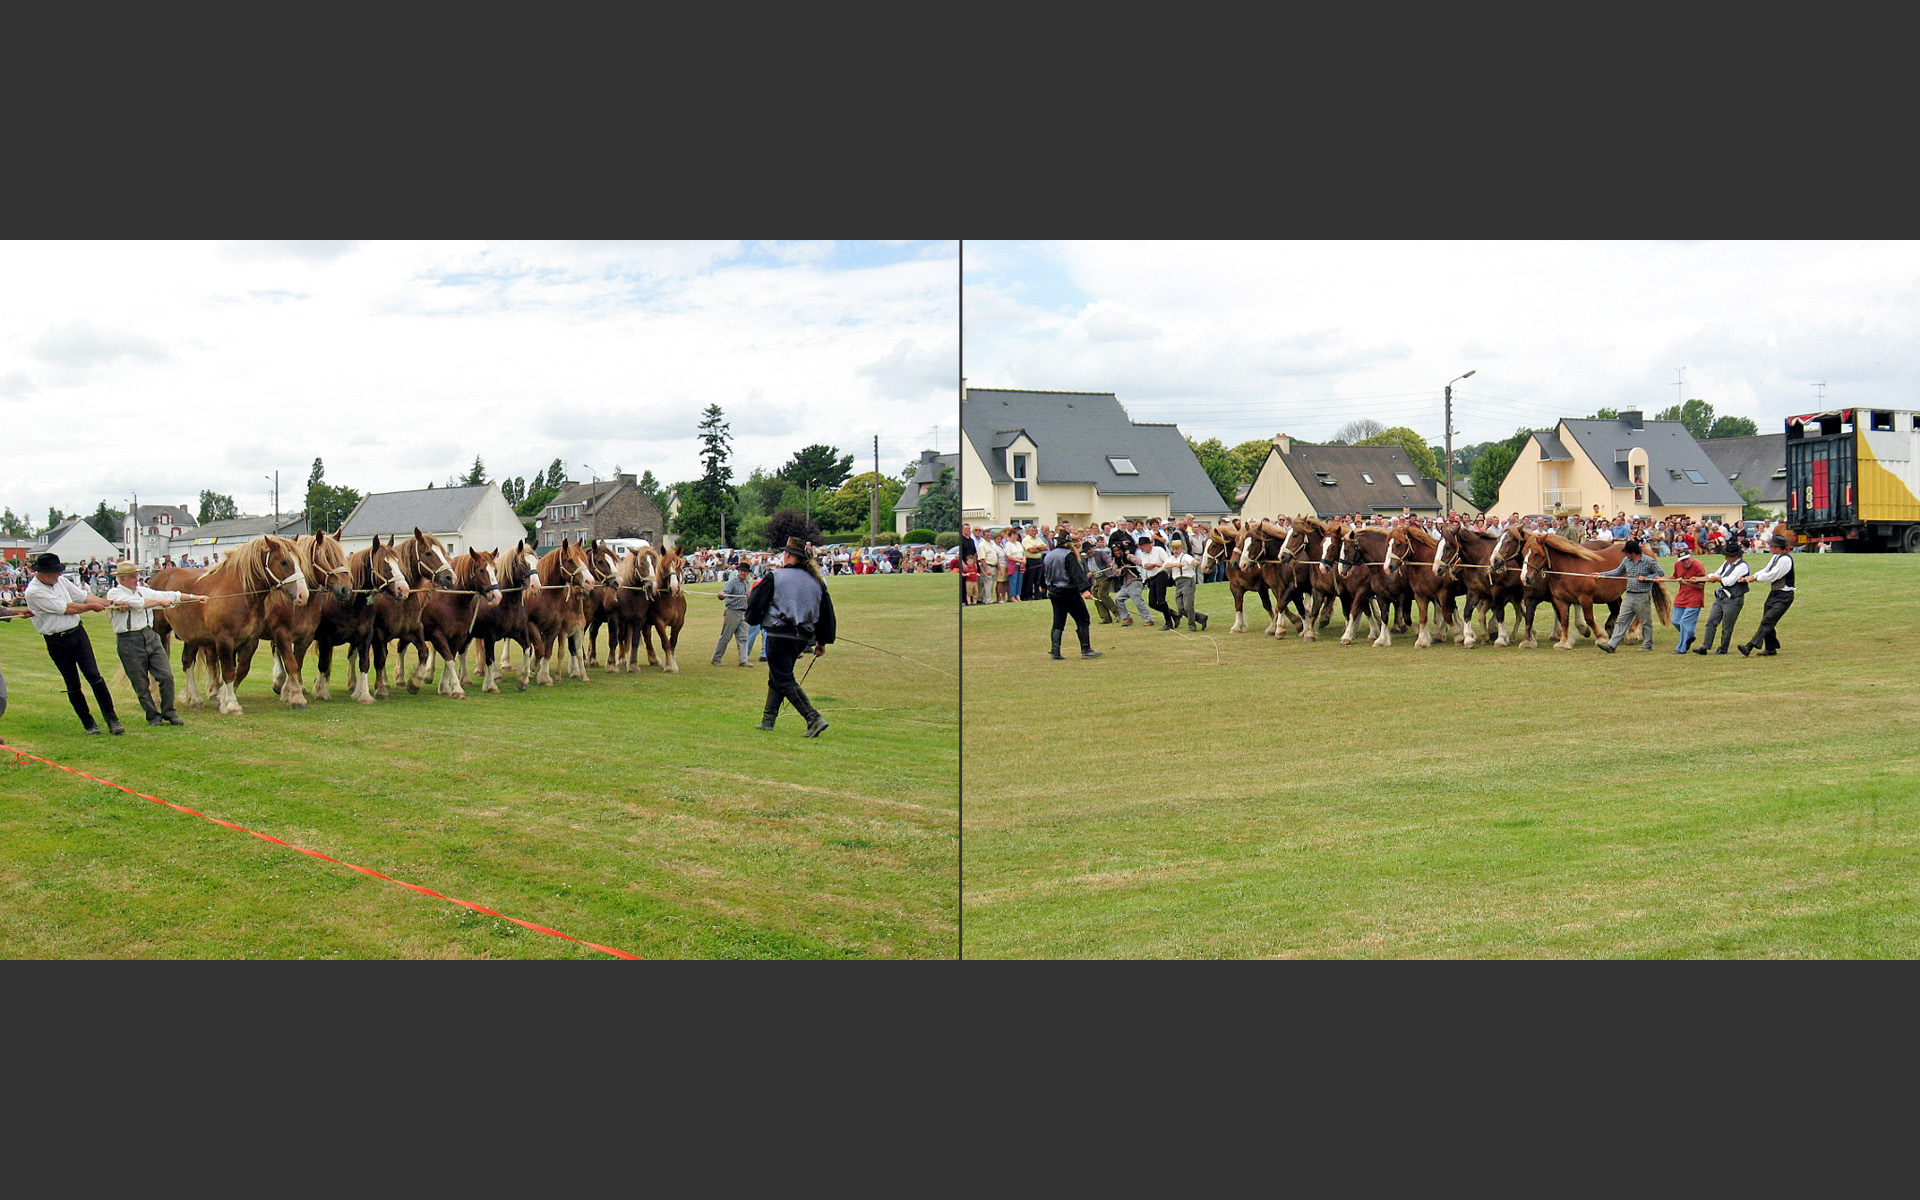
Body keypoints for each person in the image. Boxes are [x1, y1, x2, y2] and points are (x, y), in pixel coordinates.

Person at [21, 553, 124, 734]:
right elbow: (66, 608)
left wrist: (111, 603)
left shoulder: (60, 581)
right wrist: (91, 608)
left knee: (94, 676)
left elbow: (83, 597)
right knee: (72, 683)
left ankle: (112, 719)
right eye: (55, 572)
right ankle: (89, 723)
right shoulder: (34, 592)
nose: (59, 575)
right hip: (56, 640)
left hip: (77, 634)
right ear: (43, 573)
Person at [744, 537, 837, 736]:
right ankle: (768, 720)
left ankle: (813, 718)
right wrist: (822, 641)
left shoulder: (776, 576)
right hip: (802, 639)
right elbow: (826, 612)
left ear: (788, 555)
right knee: (777, 675)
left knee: (783, 678)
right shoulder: (817, 581)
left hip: (779, 634)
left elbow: (756, 602)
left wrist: (752, 618)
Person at [105, 561, 203, 726]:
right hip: (129, 640)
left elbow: (170, 595)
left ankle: (169, 712)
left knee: (166, 676)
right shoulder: (115, 593)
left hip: (150, 635)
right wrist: (159, 603)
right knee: (141, 683)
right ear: (122, 579)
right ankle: (153, 716)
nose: (136, 579)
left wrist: (194, 598)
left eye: (136, 576)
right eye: (132, 577)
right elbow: (138, 603)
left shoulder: (143, 591)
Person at [1592, 539, 1663, 653]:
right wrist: (1601, 575)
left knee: (1645, 622)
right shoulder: (1626, 561)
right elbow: (1617, 572)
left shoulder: (1648, 561)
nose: (1625, 554)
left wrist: (1647, 578)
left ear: (1633, 553)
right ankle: (1612, 645)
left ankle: (1647, 645)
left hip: (1642, 595)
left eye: (1626, 552)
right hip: (1629, 595)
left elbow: (1660, 572)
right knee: (1621, 620)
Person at [1041, 534, 1102, 660]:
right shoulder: (1068, 555)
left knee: (1058, 621)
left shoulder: (1048, 555)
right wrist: (1084, 589)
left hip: (1054, 591)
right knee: (1083, 619)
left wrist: (1042, 585)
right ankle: (1086, 649)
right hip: (1069, 591)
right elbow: (1075, 573)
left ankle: (1055, 651)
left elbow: (1043, 573)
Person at [1739, 534, 1796, 657]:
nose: (1769, 547)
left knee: (1767, 620)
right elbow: (1766, 570)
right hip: (1775, 593)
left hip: (1784, 595)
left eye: (1771, 546)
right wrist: (1751, 576)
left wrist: (1755, 578)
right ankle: (1771, 648)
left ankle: (1750, 646)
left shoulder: (1785, 560)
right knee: (1768, 620)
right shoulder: (1776, 557)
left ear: (1778, 547)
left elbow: (1772, 576)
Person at [1692, 539, 1752, 655]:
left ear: (1734, 556)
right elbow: (1716, 573)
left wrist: (1716, 579)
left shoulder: (1742, 566)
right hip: (1721, 596)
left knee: (1727, 625)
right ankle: (1705, 646)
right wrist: (1702, 578)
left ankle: (1723, 648)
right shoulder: (1727, 564)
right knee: (1711, 621)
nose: (1725, 558)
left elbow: (1729, 581)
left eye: (1727, 556)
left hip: (1733, 598)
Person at [1655, 541, 1706, 654]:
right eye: (1682, 560)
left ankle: (1681, 648)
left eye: (1687, 559)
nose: (1685, 562)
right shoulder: (1677, 565)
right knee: (1675, 620)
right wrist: (1662, 579)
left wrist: (1685, 582)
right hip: (1682, 596)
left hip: (1695, 597)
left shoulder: (1697, 565)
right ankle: (1689, 636)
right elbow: (1675, 577)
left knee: (1684, 623)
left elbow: (1701, 586)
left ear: (1690, 557)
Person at [711, 562, 755, 667]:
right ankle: (716, 659)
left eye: (745, 571)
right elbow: (724, 593)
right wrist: (721, 595)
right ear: (738, 571)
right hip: (732, 612)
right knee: (726, 637)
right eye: (741, 571)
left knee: (743, 638)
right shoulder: (732, 582)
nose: (743, 573)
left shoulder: (747, 583)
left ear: (747, 573)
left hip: (744, 613)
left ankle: (743, 660)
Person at [1166, 537, 1208, 632]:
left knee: (1188, 606)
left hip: (1187, 581)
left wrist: (1195, 562)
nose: (1175, 551)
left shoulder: (1185, 557)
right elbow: (1165, 565)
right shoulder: (1171, 559)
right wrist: (1175, 565)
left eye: (1177, 549)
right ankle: (1201, 618)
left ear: (1181, 549)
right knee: (1180, 608)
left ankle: (1192, 626)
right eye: (1174, 549)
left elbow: (1192, 561)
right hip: (1178, 583)